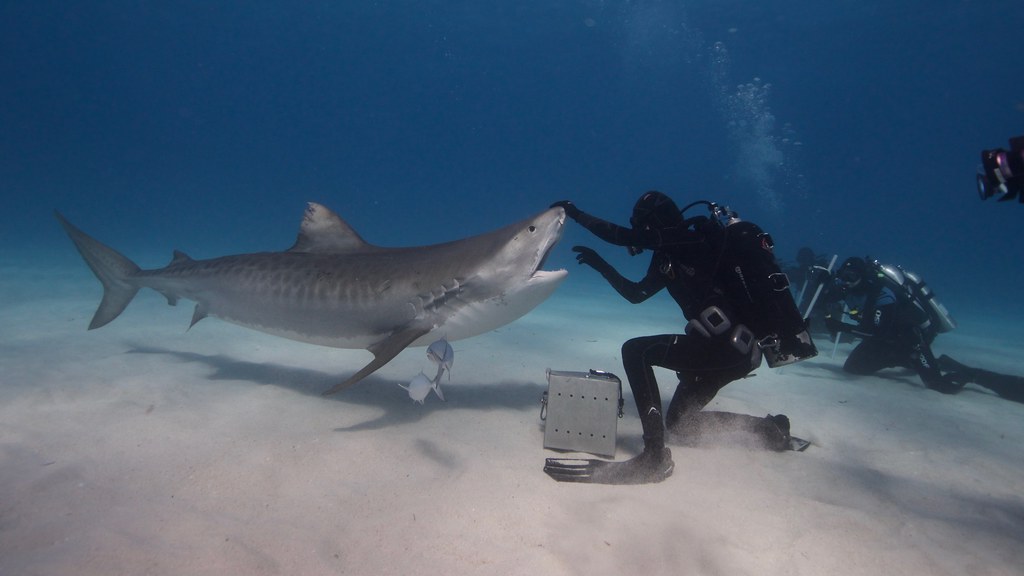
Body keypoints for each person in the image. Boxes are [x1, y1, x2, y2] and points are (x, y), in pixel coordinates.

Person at [544, 192, 817, 485]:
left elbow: (620, 236)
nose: (641, 235)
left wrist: (574, 212)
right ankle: (769, 431)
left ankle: (653, 456)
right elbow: (637, 294)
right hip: (731, 353)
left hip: (725, 348)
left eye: (643, 227)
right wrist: (602, 266)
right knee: (680, 424)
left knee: (635, 351)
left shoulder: (689, 239)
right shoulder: (667, 257)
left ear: (653, 224)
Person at [827, 257, 1024, 402]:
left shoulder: (883, 295)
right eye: (843, 277)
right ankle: (915, 360)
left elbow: (879, 334)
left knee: (940, 386)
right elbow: (830, 297)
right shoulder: (852, 291)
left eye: (851, 277)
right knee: (854, 367)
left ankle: (971, 374)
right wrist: (823, 280)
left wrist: (843, 327)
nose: (846, 281)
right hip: (888, 341)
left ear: (864, 277)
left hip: (911, 340)